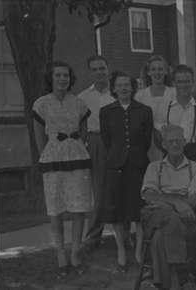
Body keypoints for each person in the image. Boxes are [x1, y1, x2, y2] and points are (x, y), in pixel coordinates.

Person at [32, 61, 92, 277]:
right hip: (52, 158)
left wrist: (73, 146)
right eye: (58, 75)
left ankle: (75, 251)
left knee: (79, 207)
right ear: (51, 78)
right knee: (55, 207)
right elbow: (39, 135)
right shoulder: (41, 104)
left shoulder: (79, 103)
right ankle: (60, 252)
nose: (62, 79)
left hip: (77, 157)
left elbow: (83, 131)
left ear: (70, 78)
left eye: (66, 75)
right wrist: (48, 153)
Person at [99, 71, 153, 271]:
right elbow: (107, 140)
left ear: (133, 88)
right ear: (114, 89)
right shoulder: (106, 111)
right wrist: (119, 155)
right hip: (115, 166)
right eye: (119, 85)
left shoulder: (144, 110)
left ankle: (139, 250)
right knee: (117, 210)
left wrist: (134, 156)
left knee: (138, 210)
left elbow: (146, 140)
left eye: (127, 85)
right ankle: (121, 250)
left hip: (138, 165)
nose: (123, 88)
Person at [141, 124, 196, 290]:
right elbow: (149, 196)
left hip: (185, 217)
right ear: (164, 145)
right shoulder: (154, 167)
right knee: (170, 216)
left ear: (185, 143)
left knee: (160, 236)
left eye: (179, 141)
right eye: (171, 141)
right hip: (157, 215)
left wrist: (164, 200)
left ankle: (160, 282)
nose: (175, 145)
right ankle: (183, 274)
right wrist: (178, 202)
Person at [155, 64, 196, 240]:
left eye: (187, 81)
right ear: (174, 83)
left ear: (193, 82)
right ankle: (178, 237)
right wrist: (169, 151)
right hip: (173, 154)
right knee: (176, 194)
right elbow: (157, 135)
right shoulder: (165, 107)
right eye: (180, 81)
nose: (184, 85)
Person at [78, 55, 115, 249]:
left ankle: (124, 235)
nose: (99, 72)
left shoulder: (118, 92)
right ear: (90, 72)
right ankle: (93, 236)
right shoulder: (83, 98)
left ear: (108, 69)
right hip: (96, 141)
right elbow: (80, 127)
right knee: (98, 190)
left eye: (102, 68)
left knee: (119, 187)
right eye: (95, 69)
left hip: (117, 141)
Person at [135, 55, 176, 161]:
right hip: (148, 142)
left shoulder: (174, 93)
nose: (157, 73)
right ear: (148, 72)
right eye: (153, 69)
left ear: (166, 72)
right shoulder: (140, 96)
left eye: (160, 69)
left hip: (170, 140)